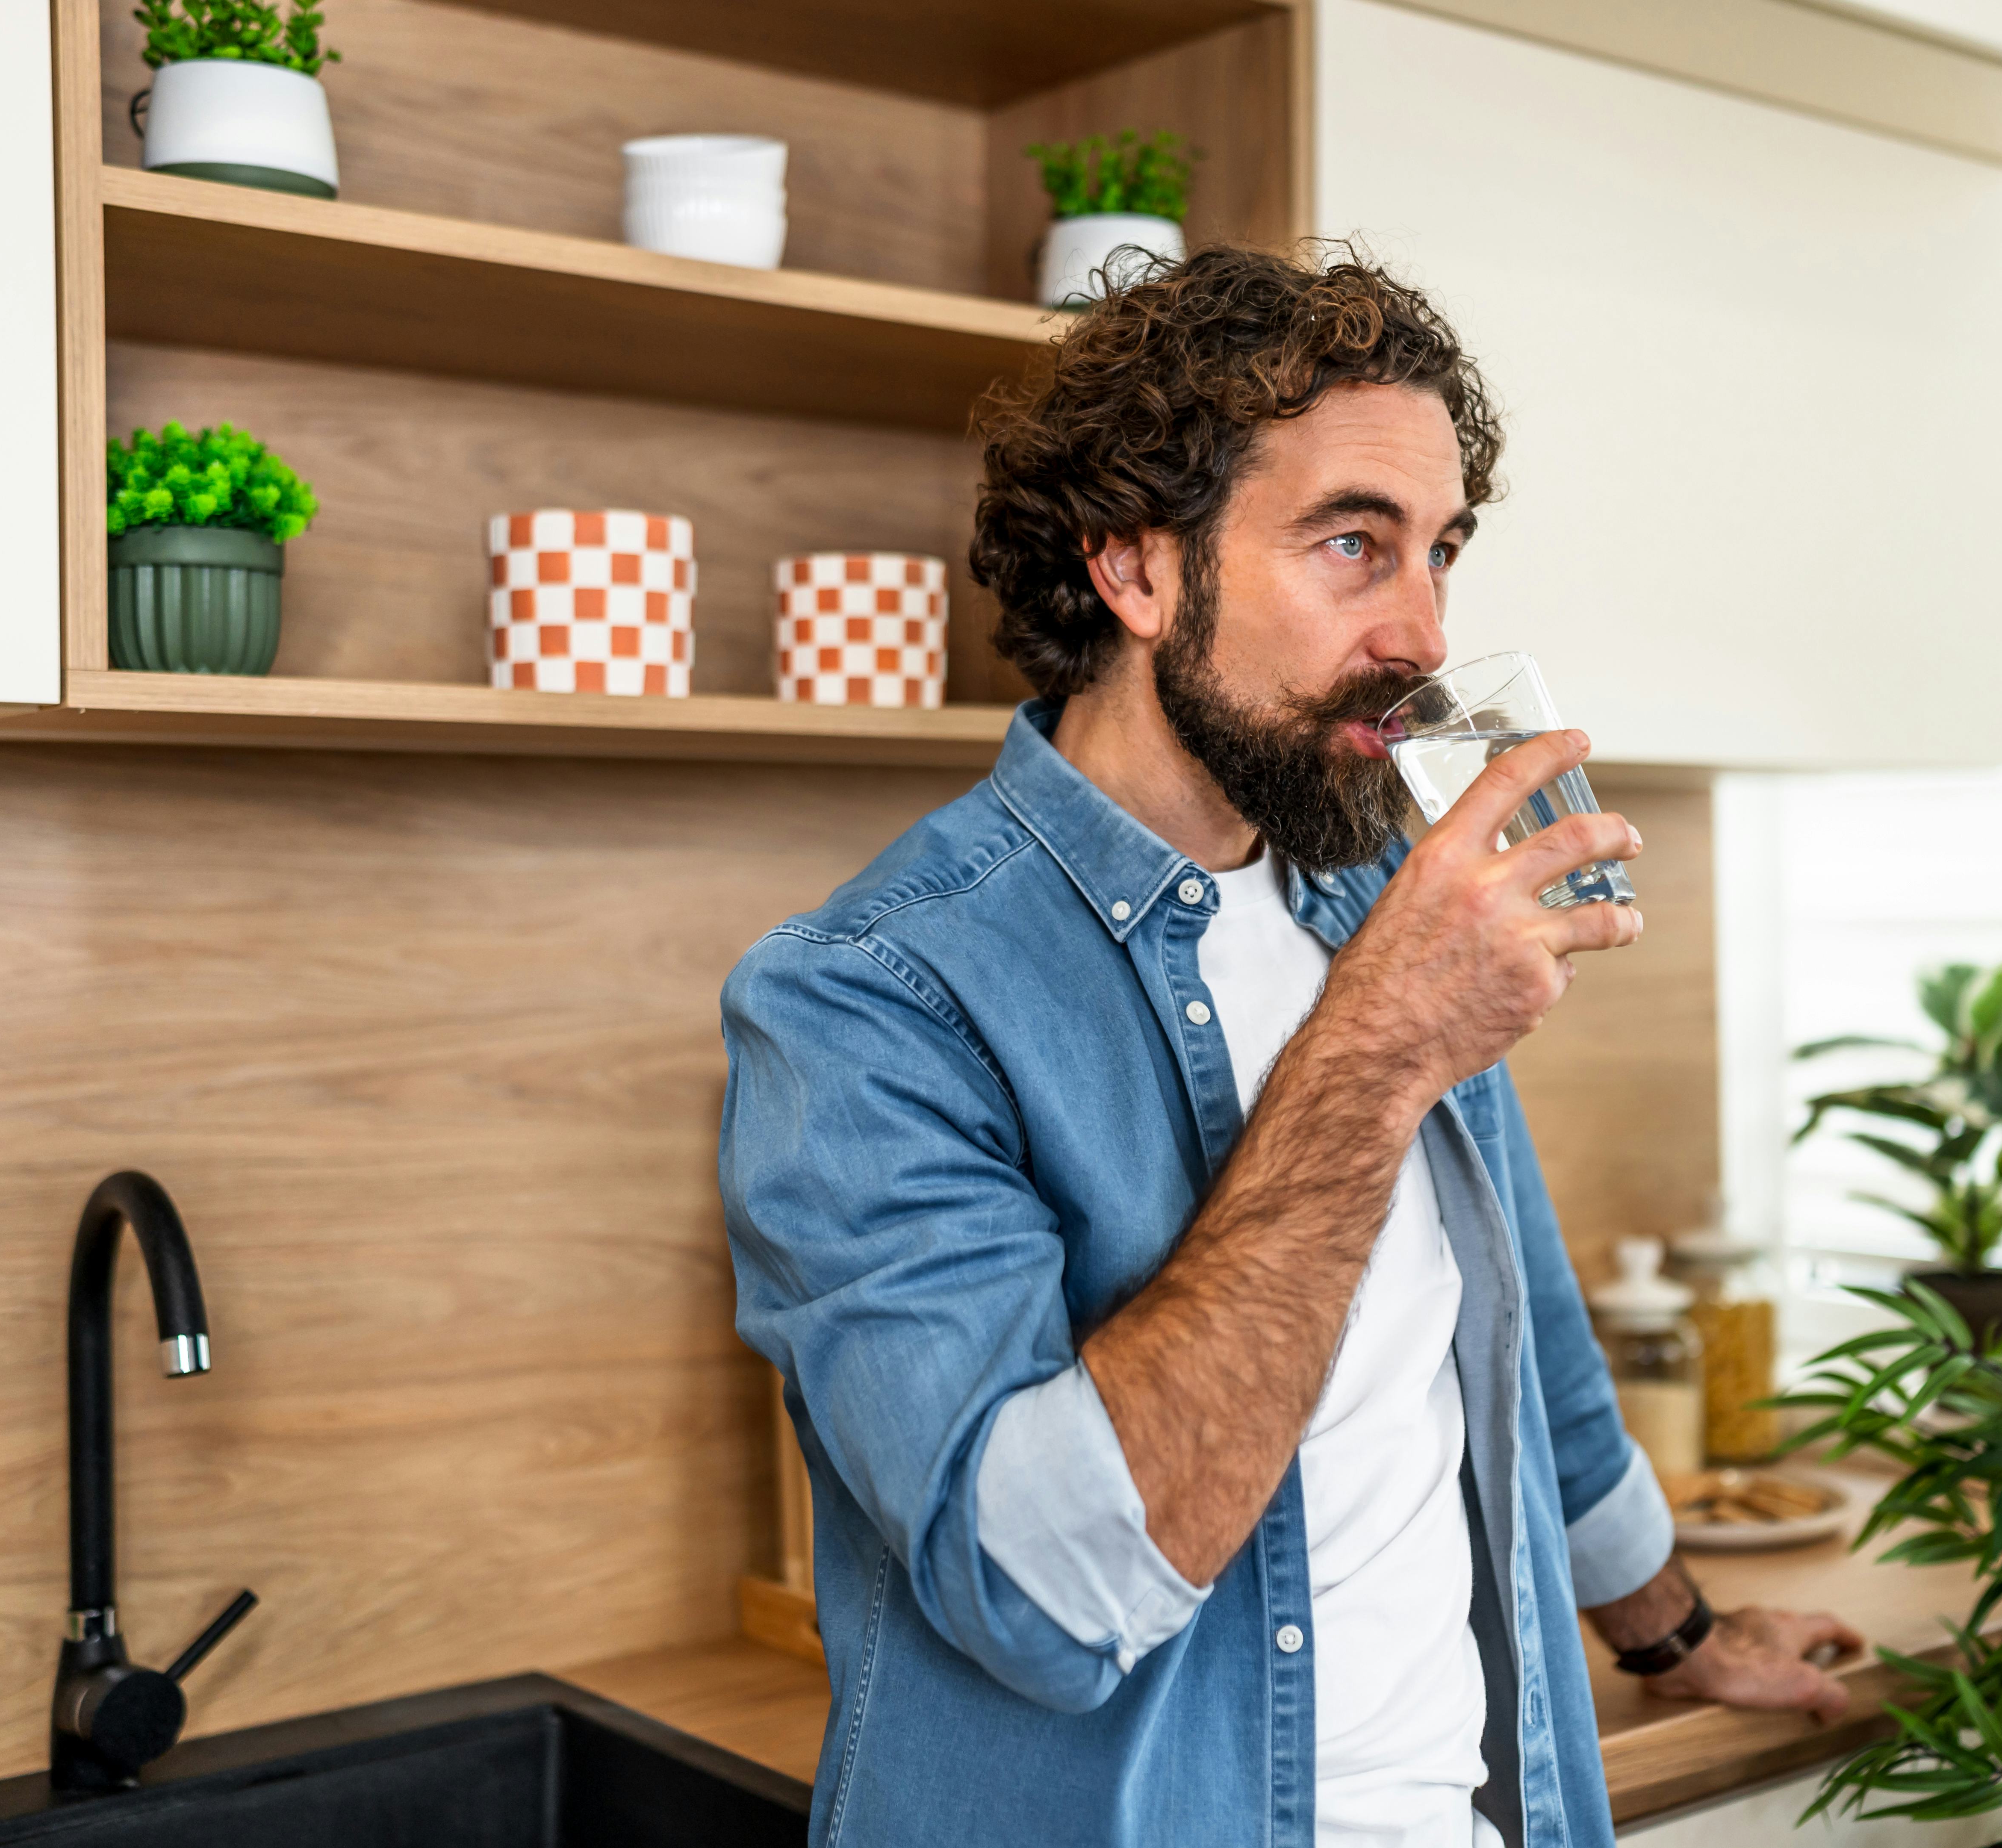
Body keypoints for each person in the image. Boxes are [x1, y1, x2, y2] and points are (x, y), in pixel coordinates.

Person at [719, 245, 1863, 1848]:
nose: (1421, 634)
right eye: (1352, 545)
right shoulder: (868, 997)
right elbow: (1049, 1593)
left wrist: (1674, 1630)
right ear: (1136, 570)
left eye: (1441, 555)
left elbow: (1514, 1330)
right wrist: (1380, 1050)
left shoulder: (1379, 887)